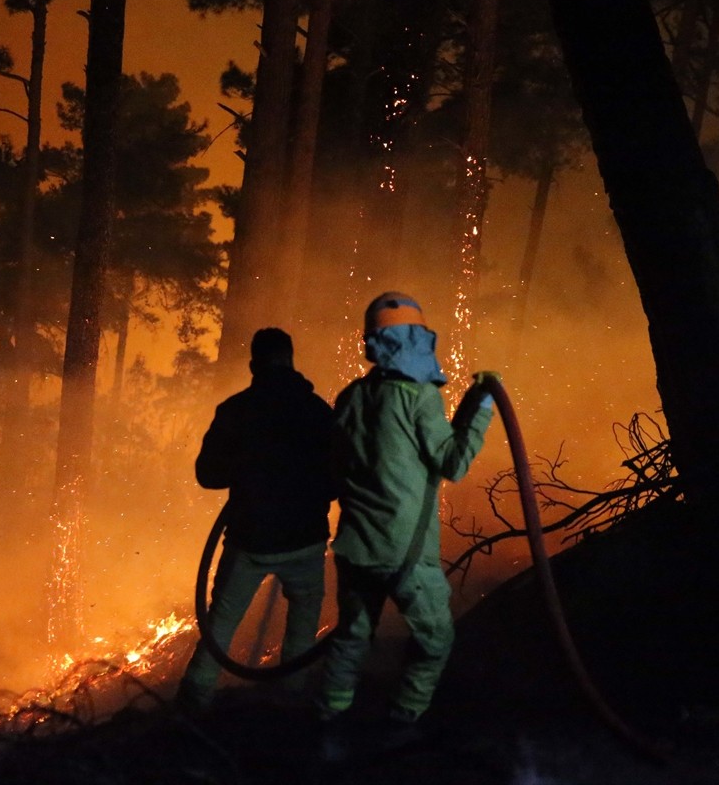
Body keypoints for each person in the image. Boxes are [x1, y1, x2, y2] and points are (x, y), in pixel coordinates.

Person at [317, 292, 496, 759]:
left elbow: (333, 470)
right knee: (436, 639)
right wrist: (479, 407)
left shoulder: (351, 397)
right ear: (417, 339)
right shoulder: (420, 398)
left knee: (352, 638)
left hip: (356, 548)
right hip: (406, 555)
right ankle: (401, 724)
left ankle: (330, 730)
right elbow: (453, 464)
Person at [177, 327, 336, 712]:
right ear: (291, 361)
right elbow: (337, 478)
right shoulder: (318, 411)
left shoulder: (236, 410)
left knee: (221, 626)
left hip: (251, 541)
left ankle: (190, 708)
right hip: (306, 541)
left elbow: (207, 474)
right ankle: (290, 705)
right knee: (302, 625)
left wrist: (248, 470)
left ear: (253, 365)